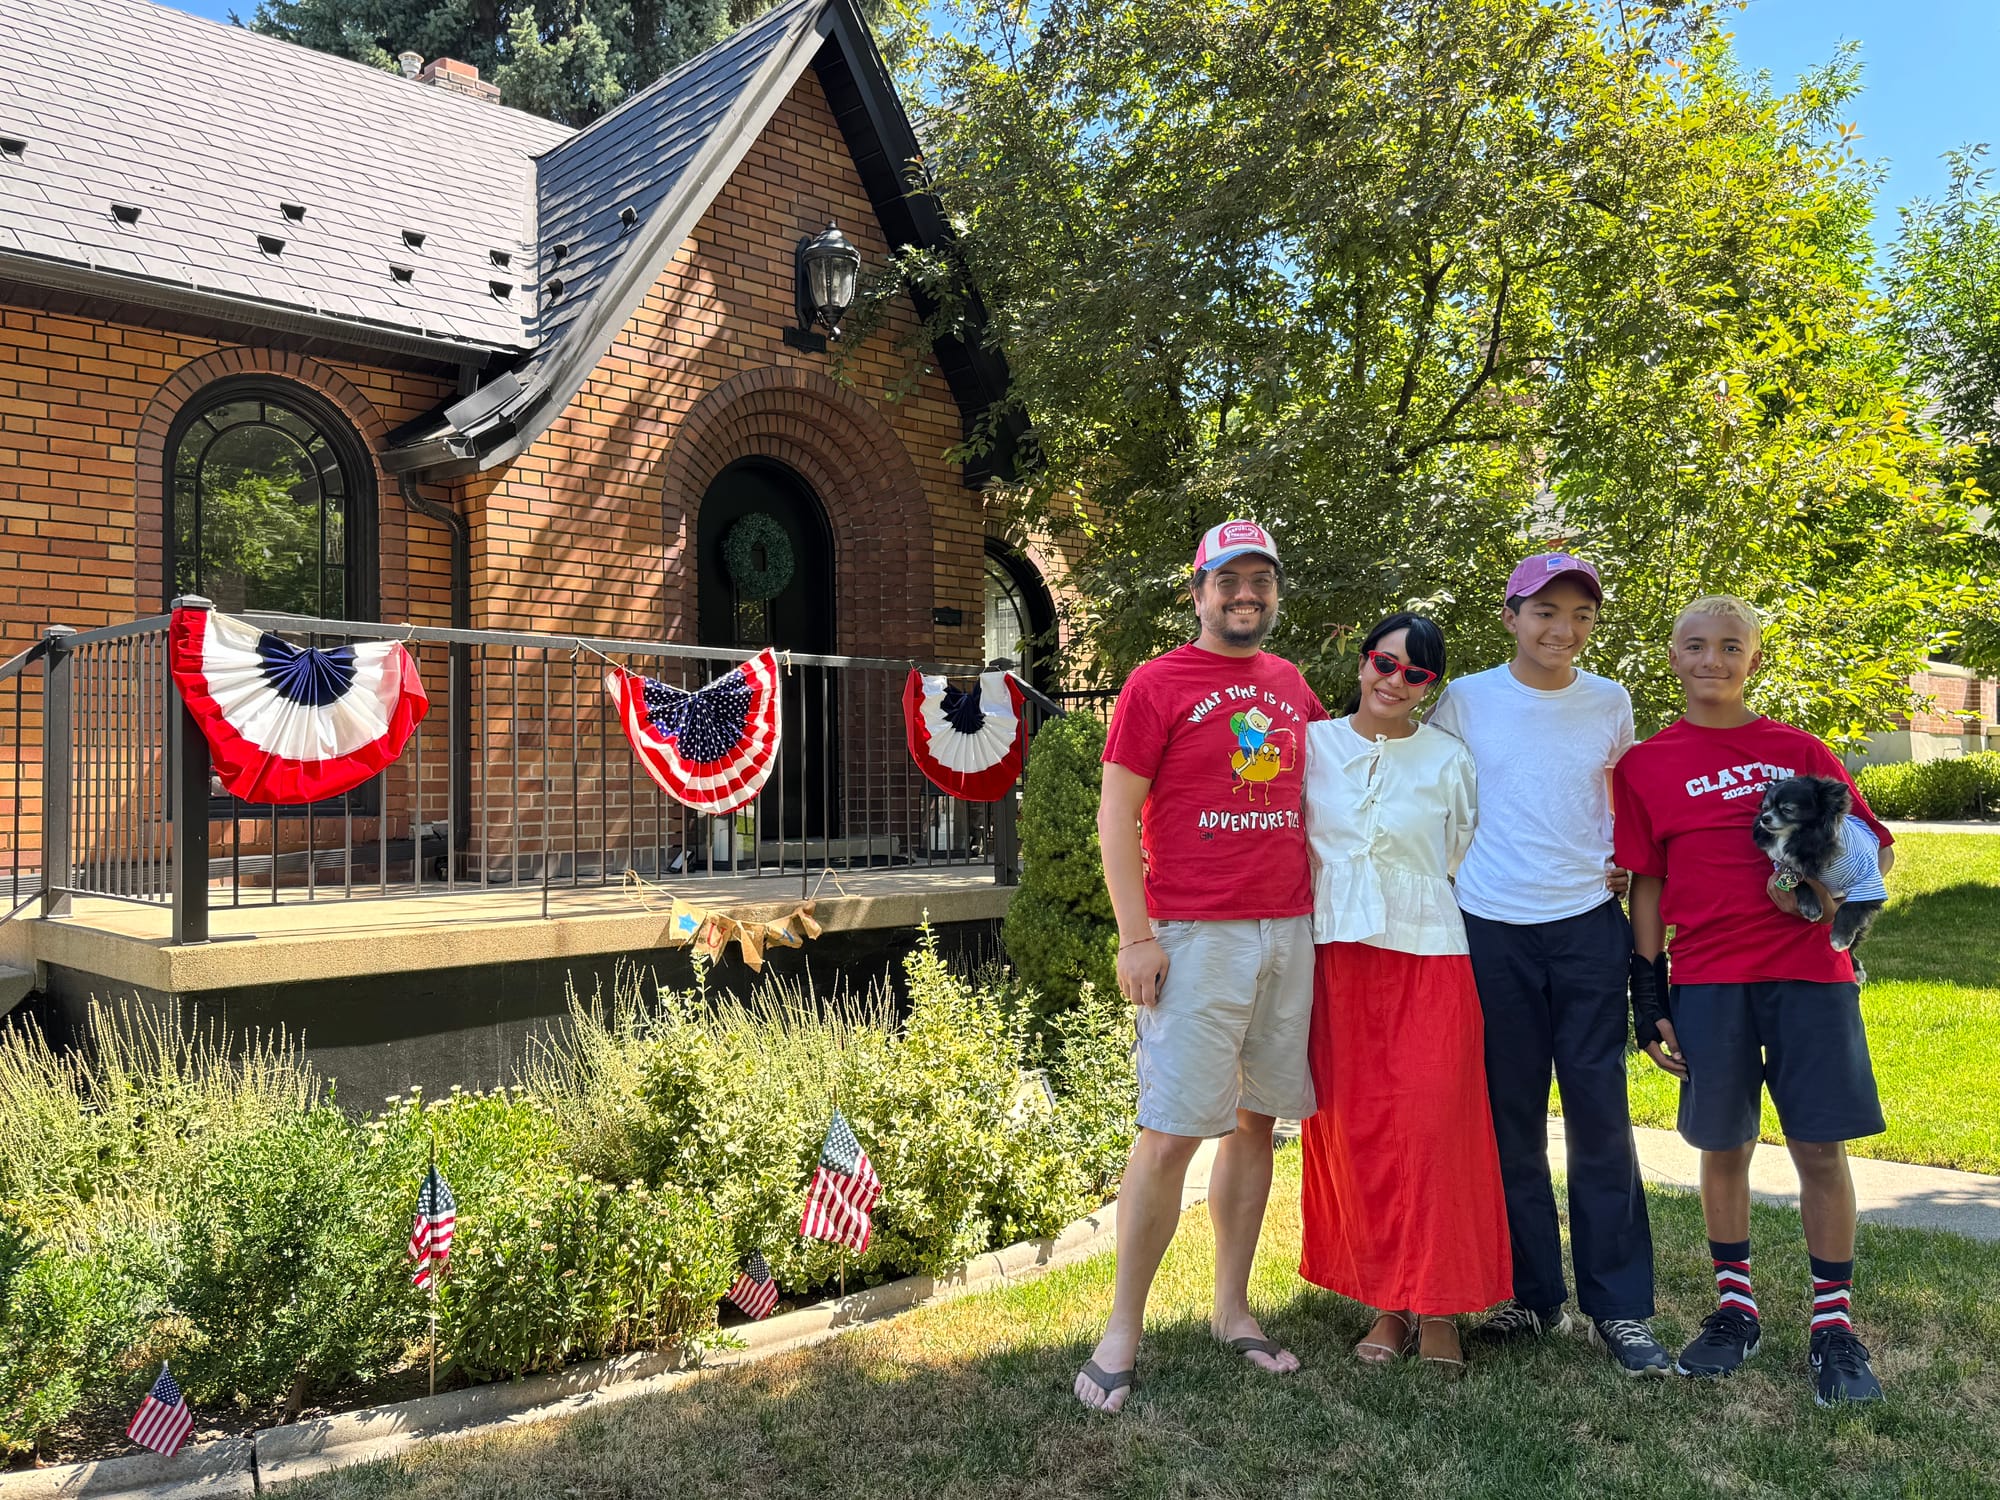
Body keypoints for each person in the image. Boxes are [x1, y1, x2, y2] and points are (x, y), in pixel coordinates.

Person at [1614, 595, 1894, 1405]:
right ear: (1674, 657)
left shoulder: (1797, 750)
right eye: (1697, 645)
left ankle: (1832, 1326)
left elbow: (1869, 857)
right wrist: (1647, 993)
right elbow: (1646, 884)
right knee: (1724, 1145)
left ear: (1754, 660)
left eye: (1731, 646)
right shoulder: (1646, 765)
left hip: (1809, 978)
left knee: (1819, 1149)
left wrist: (1812, 893)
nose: (1713, 659)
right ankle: (1736, 1310)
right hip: (1707, 979)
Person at [1076, 519, 1326, 1415]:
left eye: (1260, 579)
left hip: (1289, 930)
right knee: (1170, 1133)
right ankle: (1122, 1329)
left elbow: (1337, 791)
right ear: (1198, 592)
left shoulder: (1291, 684)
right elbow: (1115, 815)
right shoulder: (1157, 683)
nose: (1245, 594)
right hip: (1194, 935)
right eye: (1229, 580)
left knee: (1256, 1124)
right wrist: (1135, 936)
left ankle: (1231, 1308)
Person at [1427, 553, 1671, 1375]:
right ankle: (1532, 1297)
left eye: (1580, 616)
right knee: (1511, 1122)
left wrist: (1622, 861)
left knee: (1601, 1119)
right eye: (1545, 612)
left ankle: (1619, 1309)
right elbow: (1433, 793)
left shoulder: (1610, 701)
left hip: (1587, 928)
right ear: (1511, 616)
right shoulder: (1467, 700)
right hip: (1491, 927)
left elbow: (1621, 799)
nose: (1563, 630)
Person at [1298, 613, 1511, 1375]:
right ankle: (1388, 1302)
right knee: (1360, 1134)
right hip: (1337, 959)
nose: (1395, 681)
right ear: (1363, 663)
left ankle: (1441, 1303)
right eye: (1384, 663)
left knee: (1434, 1129)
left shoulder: (1449, 758)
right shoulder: (1311, 746)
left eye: (1415, 673)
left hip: (1430, 955)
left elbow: (1462, 849)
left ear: (1429, 686)